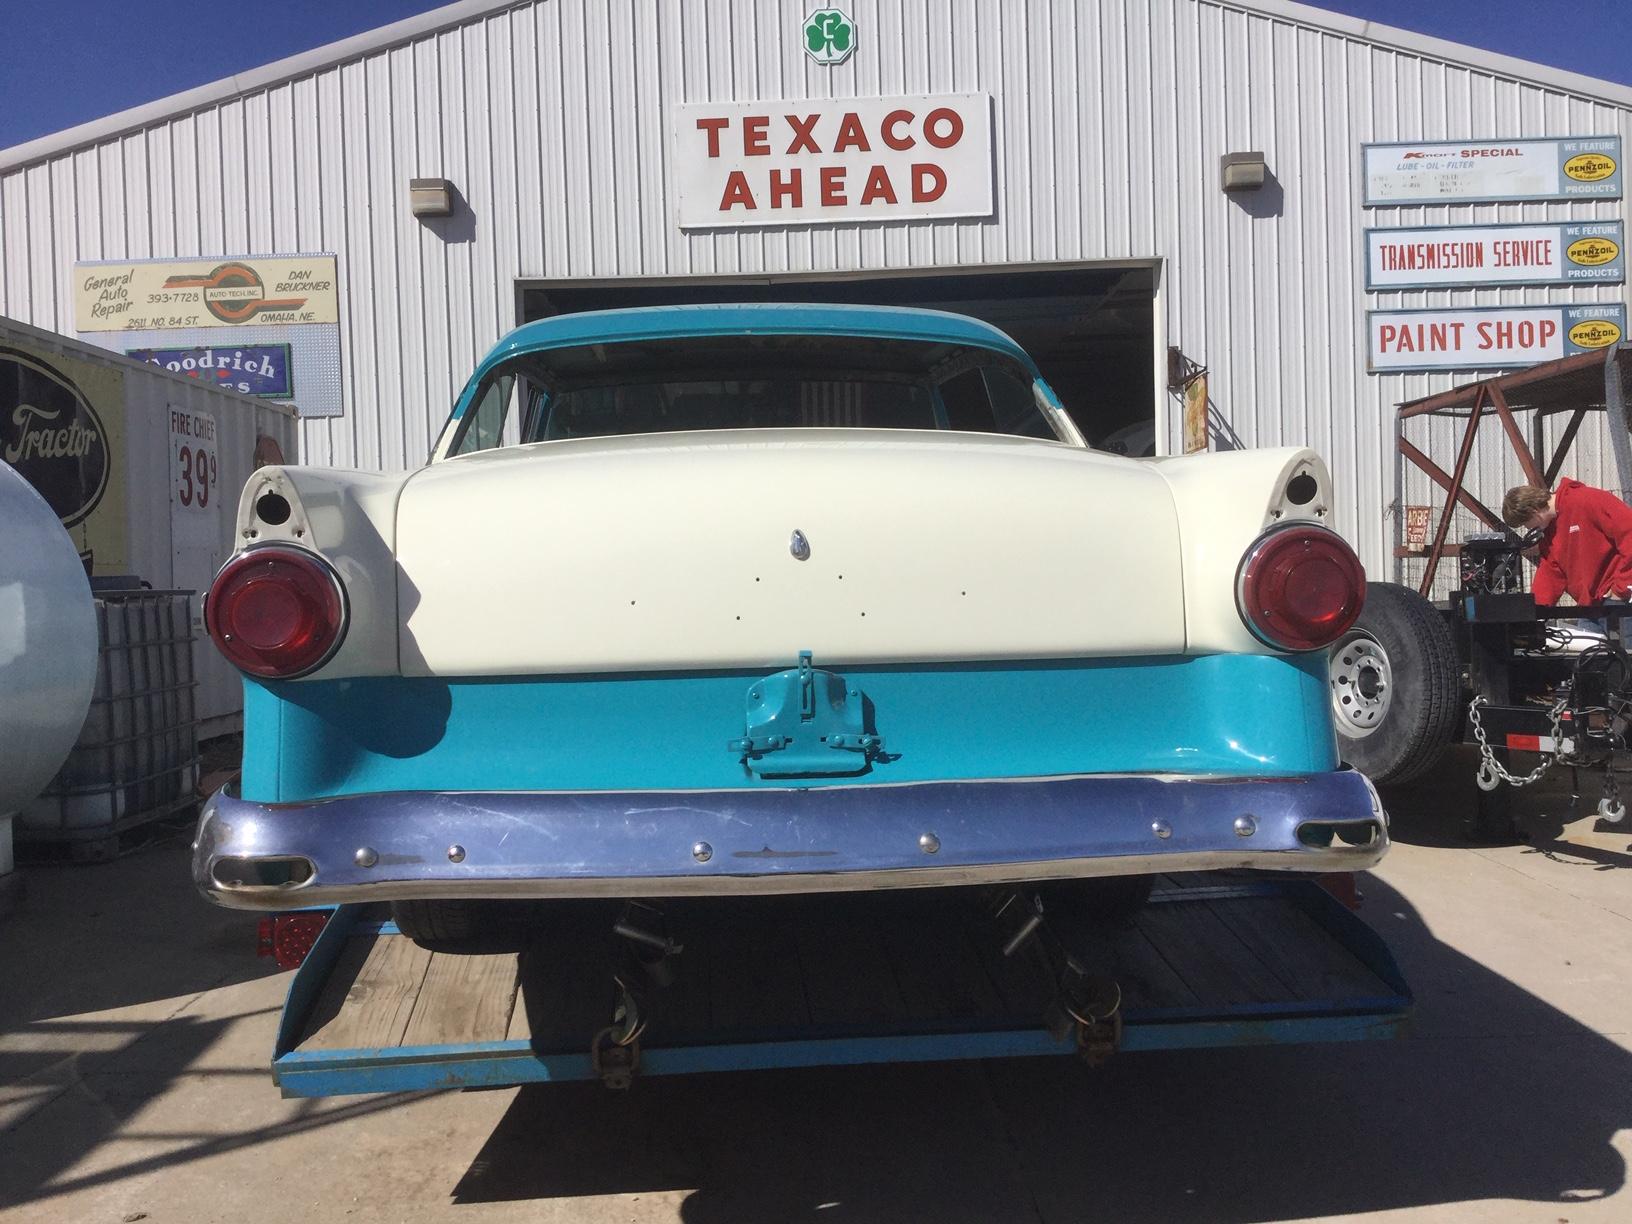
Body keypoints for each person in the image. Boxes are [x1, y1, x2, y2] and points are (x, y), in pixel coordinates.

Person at [1501, 479, 1632, 606]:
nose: (1528, 528)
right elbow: (1550, 574)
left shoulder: (1587, 499)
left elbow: (1628, 534)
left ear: (1533, 512)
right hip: (1590, 605)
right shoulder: (1549, 533)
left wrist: (1621, 588)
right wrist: (1534, 613)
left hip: (1621, 599)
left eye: (1525, 523)